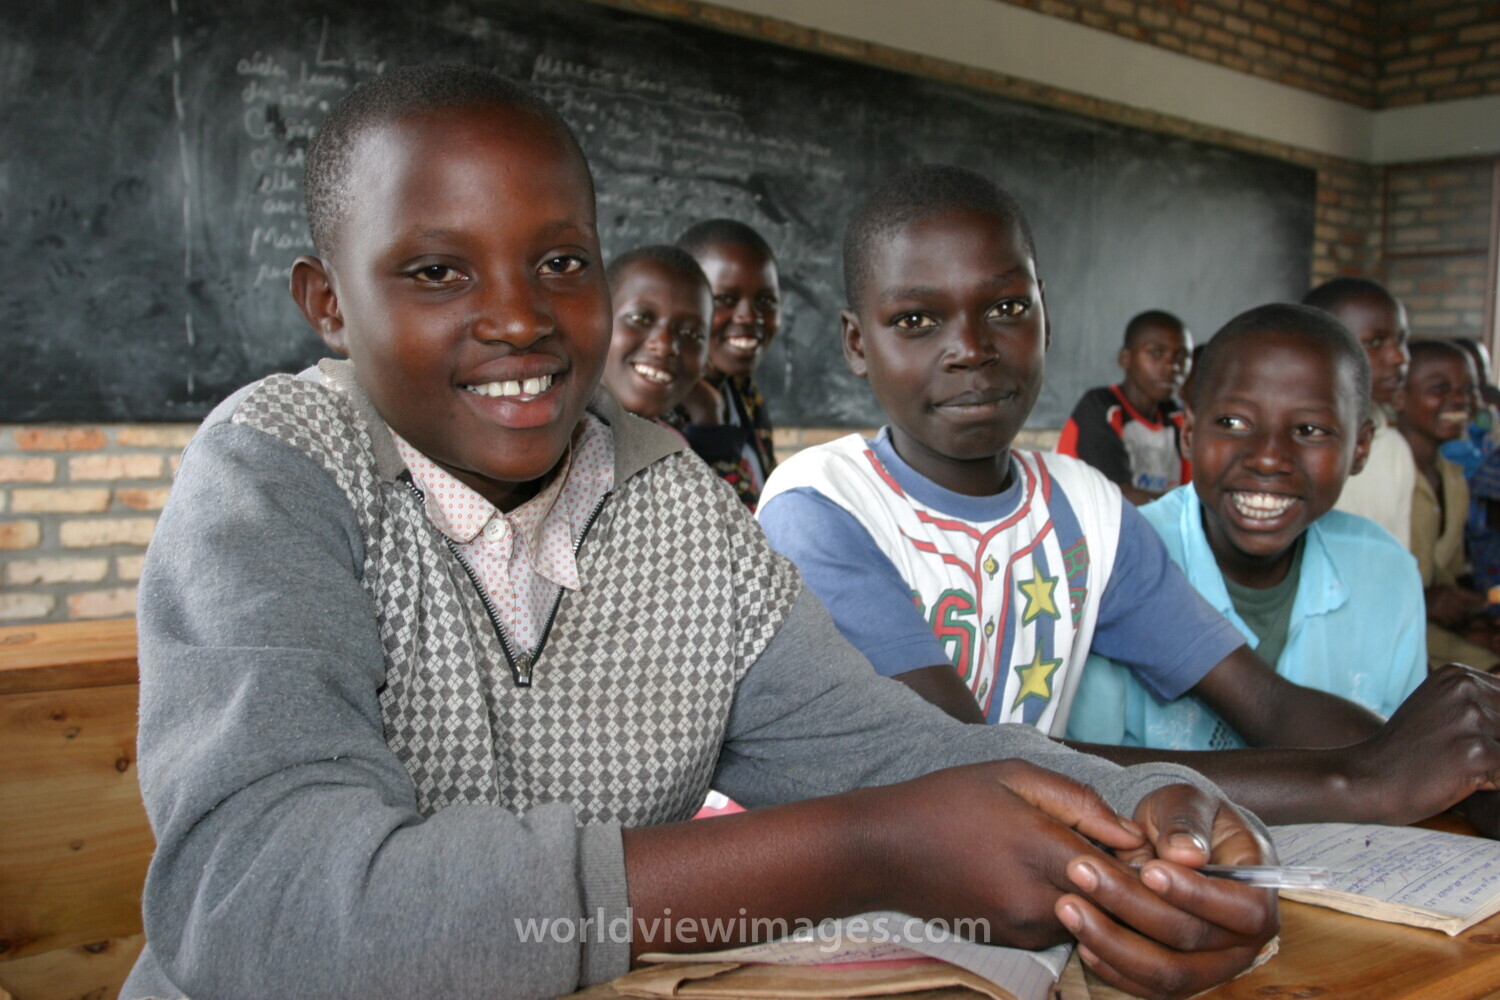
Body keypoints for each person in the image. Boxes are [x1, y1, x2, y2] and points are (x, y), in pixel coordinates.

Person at [123, 67, 1278, 1000]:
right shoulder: (277, 472)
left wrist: (1140, 809)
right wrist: (859, 849)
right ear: (327, 303)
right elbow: (263, 907)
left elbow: (883, 749)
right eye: (436, 271)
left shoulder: (668, 494)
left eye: (561, 262)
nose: (520, 317)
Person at [758, 163, 1500, 834]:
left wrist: (1454, 767)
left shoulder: (1087, 509)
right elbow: (965, 763)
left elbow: (1265, 703)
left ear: (1046, 314)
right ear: (856, 343)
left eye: (1007, 308)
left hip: (1019, 865)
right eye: (916, 321)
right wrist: (1359, 781)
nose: (972, 349)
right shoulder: (822, 507)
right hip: (836, 888)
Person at [1065, 304, 1425, 751]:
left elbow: (1409, 762)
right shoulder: (1112, 563)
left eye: (1310, 429)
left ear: (1360, 448)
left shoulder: (1387, 573)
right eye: (1233, 423)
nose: (1268, 458)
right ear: (1189, 433)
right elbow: (1086, 772)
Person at [1396, 338, 1500, 671]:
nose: (1460, 399)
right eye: (1440, 388)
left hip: (1431, 631)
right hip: (1391, 635)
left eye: (1468, 389)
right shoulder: (1380, 476)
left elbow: (1447, 579)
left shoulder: (1454, 479)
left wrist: (1470, 620)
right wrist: (1426, 600)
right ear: (1399, 396)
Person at [676, 219, 781, 510]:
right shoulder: (652, 416)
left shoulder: (744, 392)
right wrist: (708, 419)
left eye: (766, 300)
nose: (749, 316)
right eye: (724, 299)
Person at [1303, 277, 1414, 547]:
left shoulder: (1393, 449)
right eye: (1374, 342)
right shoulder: (1285, 444)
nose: (1399, 357)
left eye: (1401, 340)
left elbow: (1396, 556)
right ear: (1316, 348)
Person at [1057, 310, 1193, 504]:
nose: (1172, 366)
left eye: (1182, 356)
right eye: (1156, 353)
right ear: (1125, 359)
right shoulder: (1101, 408)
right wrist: (1185, 505)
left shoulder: (1177, 417)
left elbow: (1192, 489)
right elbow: (1116, 498)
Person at [599, 244, 714, 430]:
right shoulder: (553, 438)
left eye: (690, 333)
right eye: (639, 319)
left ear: (706, 362)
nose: (665, 345)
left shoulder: (671, 443)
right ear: (594, 322)